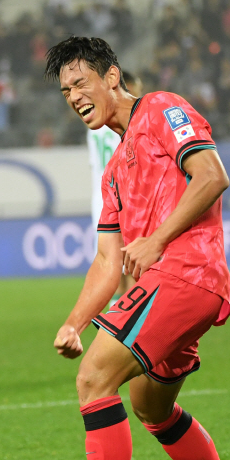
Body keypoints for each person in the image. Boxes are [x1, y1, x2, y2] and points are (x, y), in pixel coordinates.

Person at [44, 37, 230, 460]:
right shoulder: (115, 168)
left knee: (95, 379)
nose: (74, 96)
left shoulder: (164, 108)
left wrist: (159, 238)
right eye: (65, 90)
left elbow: (212, 176)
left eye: (81, 82)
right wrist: (75, 322)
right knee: (150, 403)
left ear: (112, 77)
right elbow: (106, 261)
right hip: (174, 283)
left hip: (187, 272)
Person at [87, 70, 142, 304]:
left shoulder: (95, 120)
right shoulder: (126, 120)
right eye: (137, 90)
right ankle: (129, 321)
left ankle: (114, 315)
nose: (140, 96)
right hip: (124, 196)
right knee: (133, 265)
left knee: (113, 265)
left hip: (100, 200)